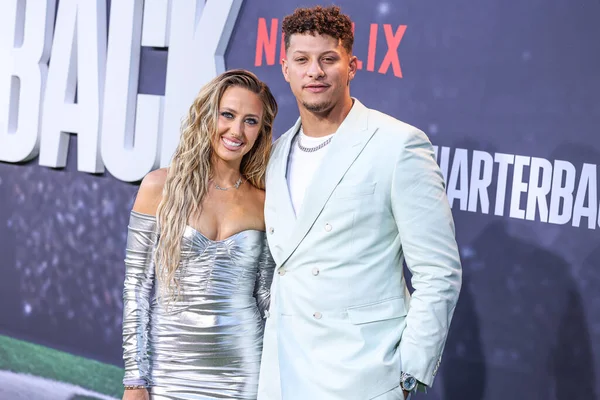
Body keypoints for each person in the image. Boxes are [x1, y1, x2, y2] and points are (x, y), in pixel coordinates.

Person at [257, 6, 462, 400]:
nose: (314, 71)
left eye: (327, 59)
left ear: (352, 66)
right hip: (283, 375)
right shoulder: (276, 153)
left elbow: (439, 271)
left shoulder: (398, 144)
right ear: (285, 69)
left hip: (363, 376)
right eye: (301, 60)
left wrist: (408, 374)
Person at [121, 69, 278, 400]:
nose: (236, 130)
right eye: (228, 115)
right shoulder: (159, 187)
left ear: (260, 132)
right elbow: (136, 286)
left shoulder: (265, 202)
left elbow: (266, 296)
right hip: (171, 367)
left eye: (250, 121)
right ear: (208, 115)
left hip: (243, 368)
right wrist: (135, 380)